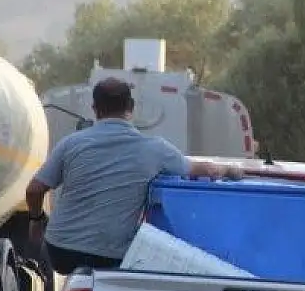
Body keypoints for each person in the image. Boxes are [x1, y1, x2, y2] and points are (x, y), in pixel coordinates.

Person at [25, 77, 243, 275]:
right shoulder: (155, 149)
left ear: (94, 109)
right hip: (109, 257)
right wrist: (229, 170)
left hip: (61, 253)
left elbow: (35, 189)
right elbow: (205, 170)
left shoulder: (71, 144)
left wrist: (36, 220)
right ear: (130, 108)